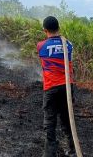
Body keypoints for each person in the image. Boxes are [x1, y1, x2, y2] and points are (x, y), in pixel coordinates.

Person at [37, 16, 75, 157]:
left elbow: (44, 62)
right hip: (67, 87)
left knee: (50, 121)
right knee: (67, 118)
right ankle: (72, 150)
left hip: (51, 87)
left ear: (45, 30)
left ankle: (49, 153)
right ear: (58, 27)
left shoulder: (41, 45)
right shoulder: (69, 44)